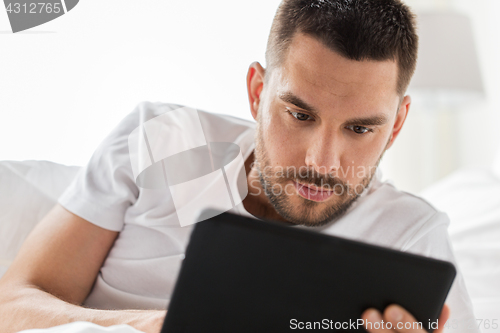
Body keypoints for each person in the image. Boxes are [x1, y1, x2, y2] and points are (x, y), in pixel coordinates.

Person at [0, 0, 478, 332]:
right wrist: (155, 327)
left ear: (396, 127)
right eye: (300, 115)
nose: (322, 162)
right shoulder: (159, 140)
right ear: (256, 91)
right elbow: (14, 305)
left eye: (360, 130)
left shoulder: (413, 238)